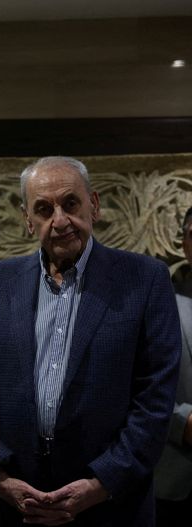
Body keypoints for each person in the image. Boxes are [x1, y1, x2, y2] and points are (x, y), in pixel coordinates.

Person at [0, 156, 181, 525]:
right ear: (28, 220)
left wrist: (101, 483)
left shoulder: (145, 280)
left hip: (113, 506)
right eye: (44, 209)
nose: (59, 221)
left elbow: (155, 399)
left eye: (70, 203)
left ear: (93, 205)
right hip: (12, 507)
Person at [154, 207, 192, 526]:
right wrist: (183, 423)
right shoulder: (161, 303)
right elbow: (138, 386)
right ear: (185, 242)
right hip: (177, 483)